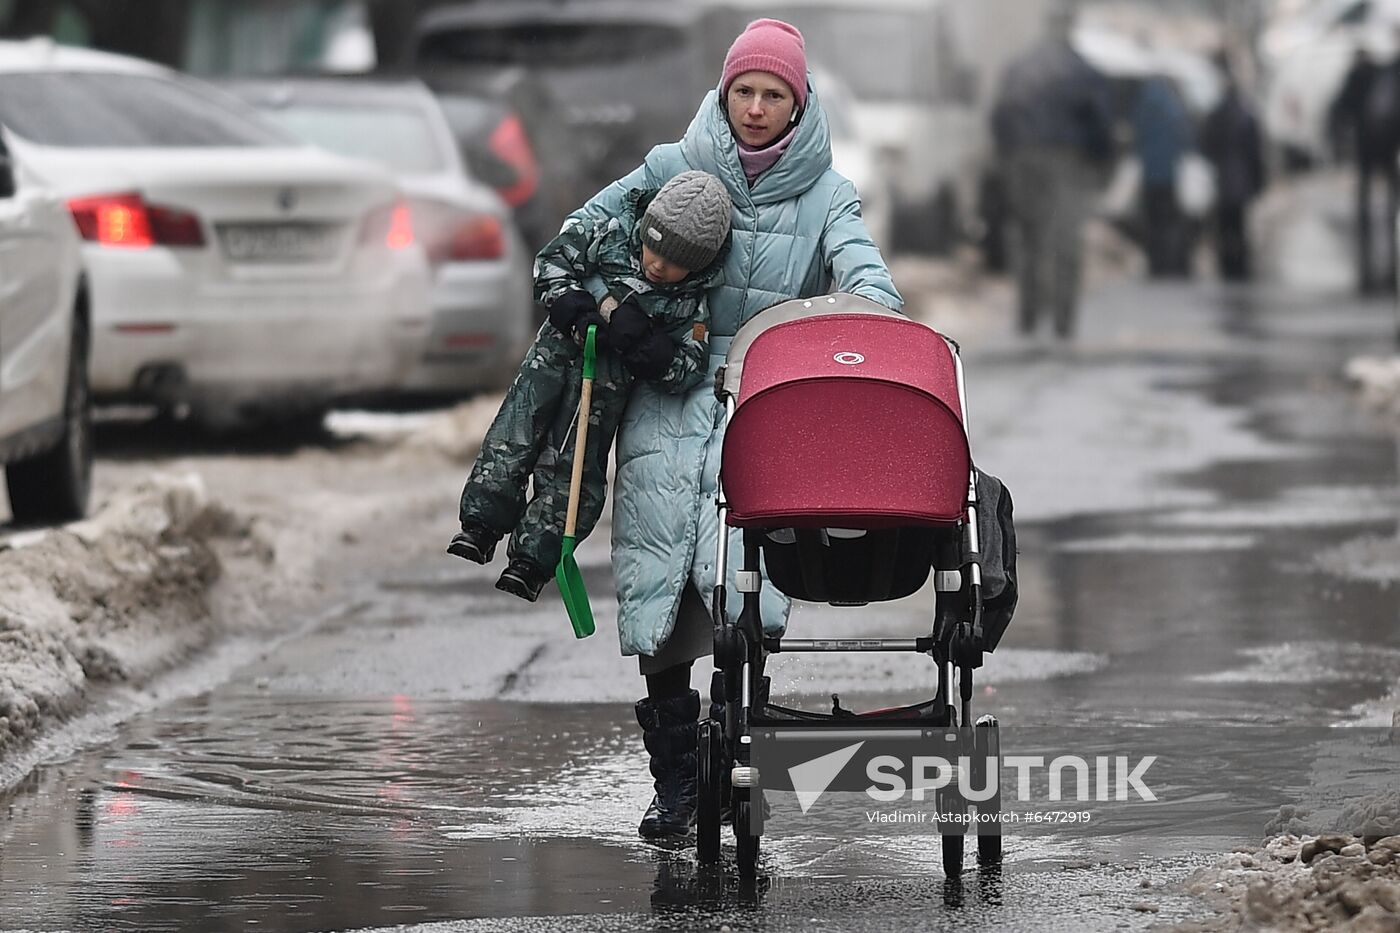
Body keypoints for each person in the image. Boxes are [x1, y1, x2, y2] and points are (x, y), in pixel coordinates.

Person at [561, 18, 902, 838]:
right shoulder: (670, 169)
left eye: (772, 94)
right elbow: (577, 242)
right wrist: (617, 309)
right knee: (659, 586)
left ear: (798, 102)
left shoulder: (829, 195)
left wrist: (837, 326)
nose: (755, 108)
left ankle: (732, 755)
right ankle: (677, 783)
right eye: (743, 90)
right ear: (724, 93)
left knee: (746, 584)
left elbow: (873, 288)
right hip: (667, 401)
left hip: (765, 406)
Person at [447, 170, 733, 601]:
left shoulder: (687, 303)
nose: (657, 263)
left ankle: (533, 559)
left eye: (673, 261)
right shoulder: (610, 236)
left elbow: (687, 368)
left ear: (698, 264)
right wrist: (575, 309)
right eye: (652, 247)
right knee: (512, 442)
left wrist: (644, 344)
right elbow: (550, 262)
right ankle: (480, 524)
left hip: (601, 399)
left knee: (573, 475)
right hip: (547, 370)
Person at [990, 3, 1114, 337]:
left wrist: (1006, 159)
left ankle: (1028, 318)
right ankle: (1063, 323)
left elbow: (1001, 115)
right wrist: (1103, 164)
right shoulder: (1081, 70)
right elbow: (1102, 124)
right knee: (1065, 244)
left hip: (1023, 160)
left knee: (1030, 240)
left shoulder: (1019, 67)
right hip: (1066, 162)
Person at [1199, 54, 1266, 281]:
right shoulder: (1247, 116)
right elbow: (1255, 152)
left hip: (1223, 179)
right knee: (1239, 226)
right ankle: (1240, 266)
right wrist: (1258, 181)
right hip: (1242, 179)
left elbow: (1206, 146)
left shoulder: (1215, 116)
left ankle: (1227, 266)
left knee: (1225, 226)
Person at [1130, 75, 1194, 278]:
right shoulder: (1173, 108)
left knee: (1153, 221)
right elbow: (1186, 139)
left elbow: (1136, 139)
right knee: (1171, 221)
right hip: (1171, 175)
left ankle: (1156, 264)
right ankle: (1173, 263)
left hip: (1150, 175)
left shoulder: (1142, 107)